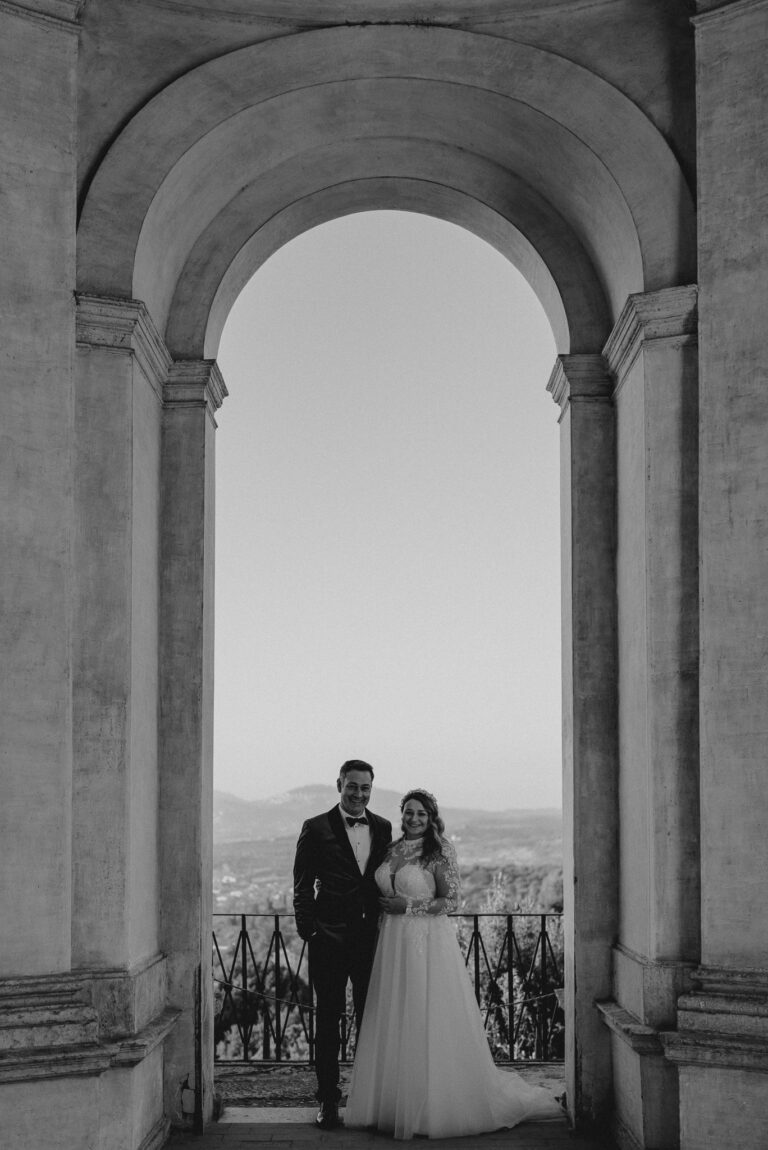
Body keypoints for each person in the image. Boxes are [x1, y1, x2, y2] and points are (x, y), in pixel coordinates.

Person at [344, 788, 561, 1140]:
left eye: (421, 814)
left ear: (431, 818)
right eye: (409, 812)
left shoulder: (440, 851)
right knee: (395, 1016)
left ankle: (432, 1106)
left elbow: (452, 900)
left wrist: (409, 908)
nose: (414, 819)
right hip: (391, 944)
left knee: (424, 1015)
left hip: (424, 944)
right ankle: (393, 1102)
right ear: (402, 814)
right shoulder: (392, 848)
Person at [293, 760, 392, 1129]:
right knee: (328, 1019)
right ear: (339, 784)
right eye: (353, 786)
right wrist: (309, 930)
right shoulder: (315, 827)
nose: (359, 794)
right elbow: (302, 884)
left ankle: (369, 1098)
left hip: (369, 939)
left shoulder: (383, 826)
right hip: (328, 938)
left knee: (371, 1019)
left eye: (365, 788)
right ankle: (328, 1100)